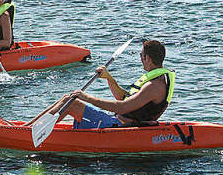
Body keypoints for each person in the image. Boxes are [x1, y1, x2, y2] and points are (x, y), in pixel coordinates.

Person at [43, 39, 174, 129]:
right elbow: (123, 98)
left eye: (141, 55)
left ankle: (30, 133)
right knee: (67, 99)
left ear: (147, 58)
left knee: (72, 104)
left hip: (120, 126)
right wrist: (109, 78)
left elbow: (121, 107)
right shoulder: (155, 80)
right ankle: (32, 126)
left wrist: (86, 97)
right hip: (118, 120)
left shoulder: (154, 86)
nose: (140, 58)